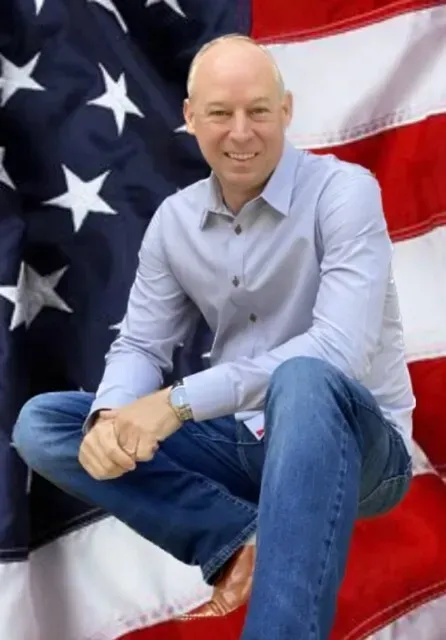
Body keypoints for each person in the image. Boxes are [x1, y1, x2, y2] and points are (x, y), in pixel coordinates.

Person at [12, 34, 415, 639]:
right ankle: (234, 536)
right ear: (191, 117)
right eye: (221, 114)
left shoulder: (344, 193)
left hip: (362, 450)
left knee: (303, 379)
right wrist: (109, 419)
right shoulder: (175, 220)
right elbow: (142, 347)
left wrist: (176, 404)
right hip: (242, 441)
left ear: (286, 110)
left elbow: (339, 351)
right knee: (46, 424)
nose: (241, 132)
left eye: (258, 110)